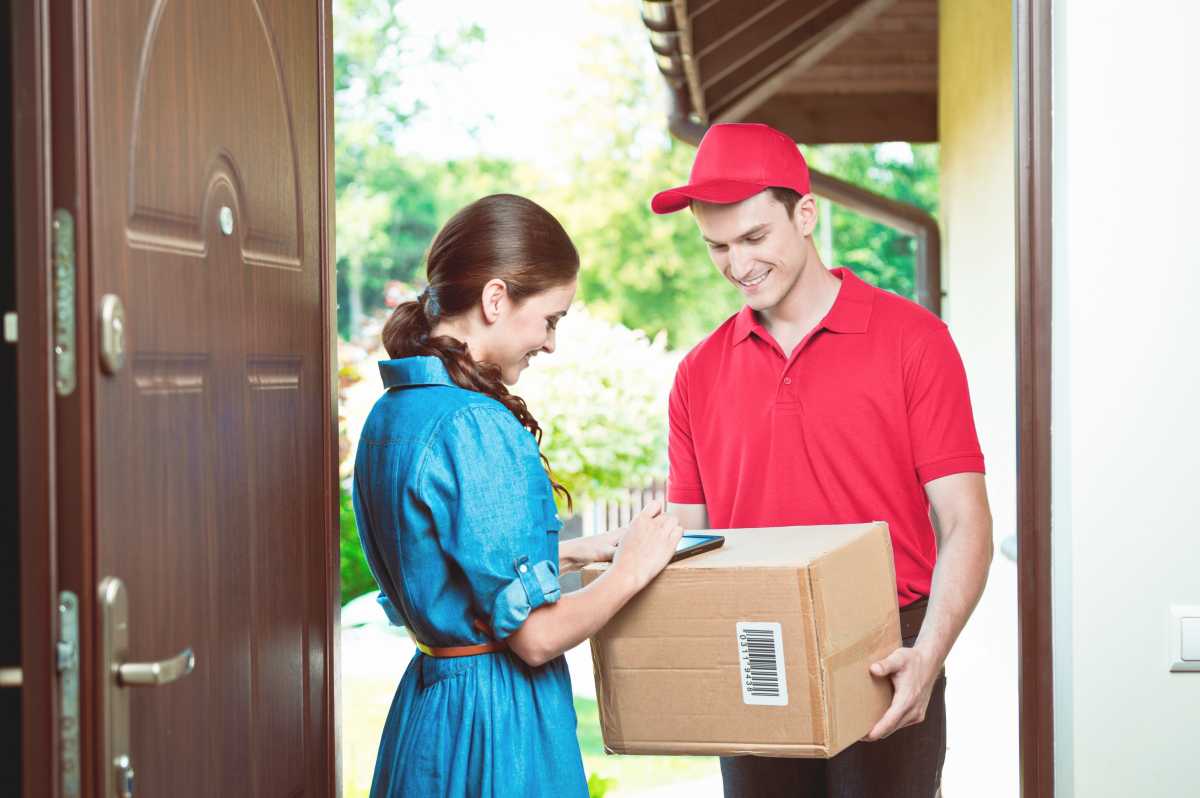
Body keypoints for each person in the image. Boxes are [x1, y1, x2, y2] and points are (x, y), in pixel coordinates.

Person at [651, 123, 994, 797]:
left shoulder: (913, 341)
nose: (736, 263)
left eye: (754, 238)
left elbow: (965, 522)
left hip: (887, 649)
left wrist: (929, 657)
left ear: (805, 214)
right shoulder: (697, 373)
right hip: (755, 649)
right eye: (716, 245)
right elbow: (681, 540)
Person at [352, 193, 684, 797]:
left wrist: (580, 552)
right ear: (496, 299)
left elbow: (454, 573)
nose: (552, 342)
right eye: (552, 318)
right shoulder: (474, 423)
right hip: (495, 725)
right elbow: (533, 637)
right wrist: (632, 570)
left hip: (430, 714)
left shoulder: (391, 414)